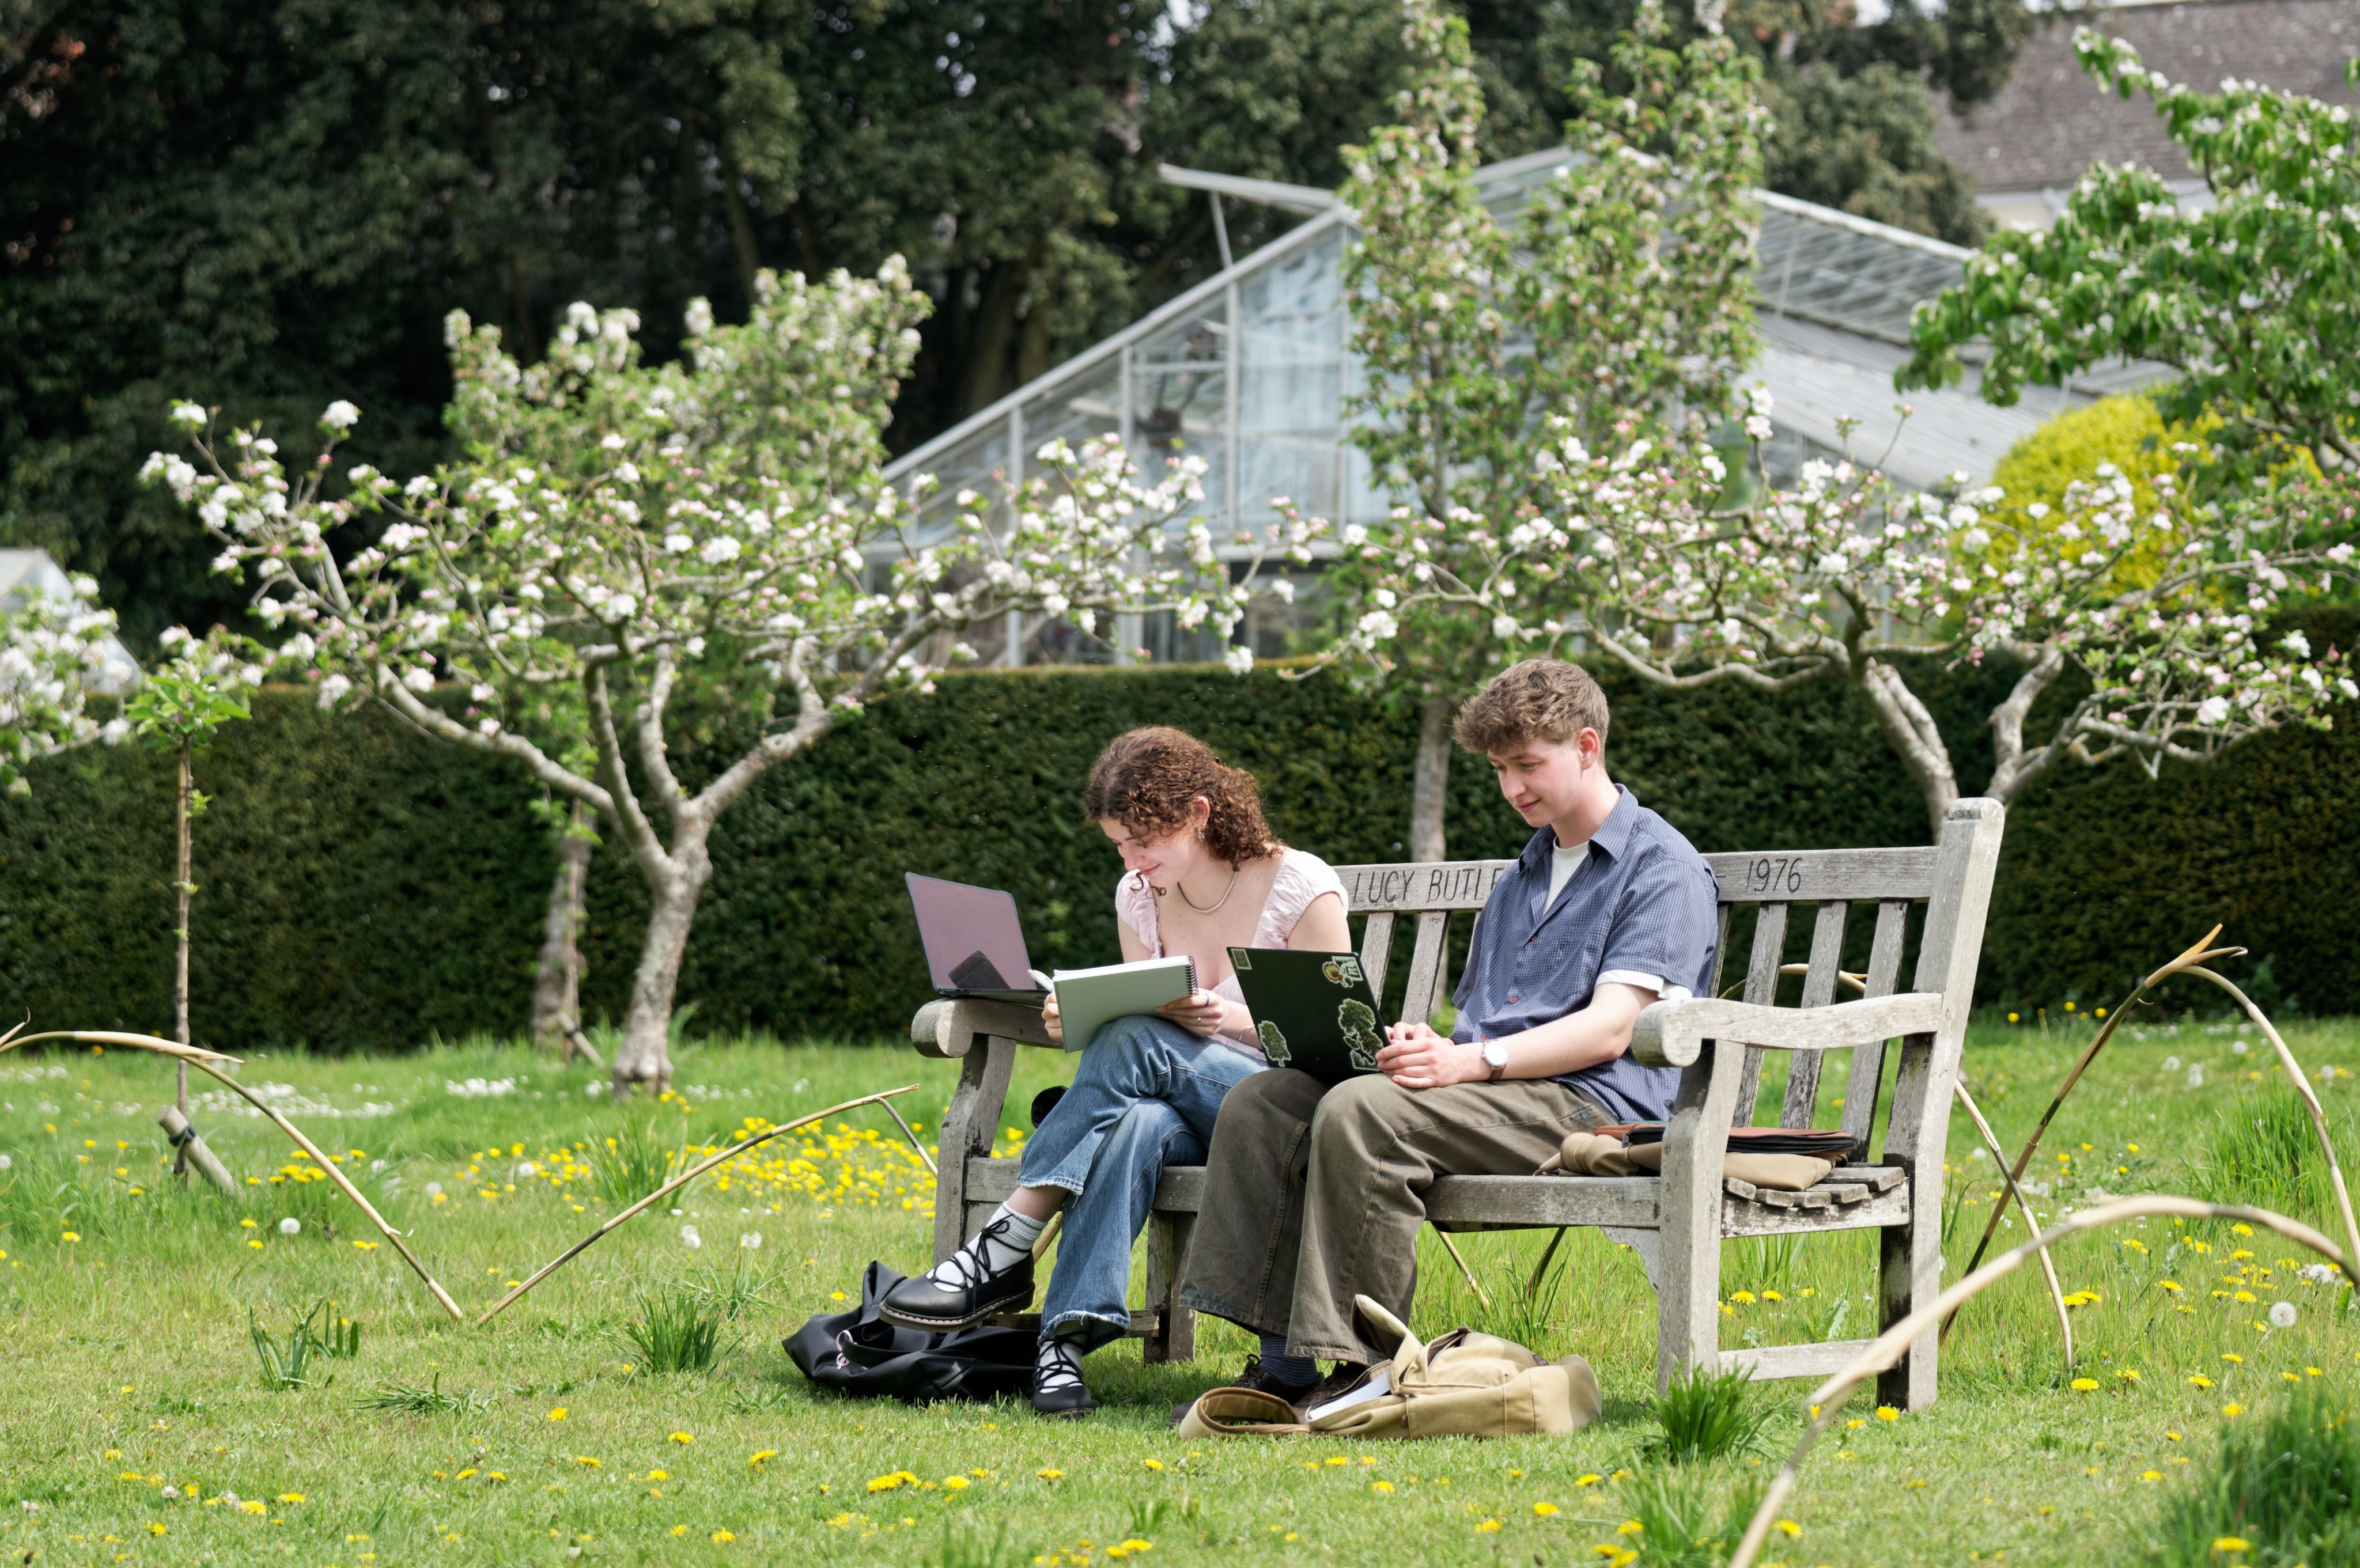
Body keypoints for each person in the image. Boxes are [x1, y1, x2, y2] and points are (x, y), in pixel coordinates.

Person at [1175, 658, 1719, 1408]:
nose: (1513, 788)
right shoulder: (1526, 872)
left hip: (1592, 1107)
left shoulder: (1660, 867)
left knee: (1362, 1112)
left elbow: (1611, 1028)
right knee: (1265, 1101)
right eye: (1499, 769)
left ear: (1588, 746)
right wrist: (1411, 1048)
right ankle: (1285, 1368)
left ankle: (1364, 1366)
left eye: (1529, 765)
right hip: (1494, 1092)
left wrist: (1467, 1060)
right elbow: (1483, 1022)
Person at [880, 726, 1351, 1418]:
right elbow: (1141, 1017)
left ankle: (1008, 1242)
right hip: (1180, 1108)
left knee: (1137, 1041)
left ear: (1198, 812)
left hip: (1281, 1109)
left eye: (1144, 842)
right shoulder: (1140, 896)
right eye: (1119, 845)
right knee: (1134, 1122)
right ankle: (1061, 1344)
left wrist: (1219, 1020)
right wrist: (1077, 1021)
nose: (1132, 860)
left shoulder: (1298, 886)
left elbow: (1334, 1040)